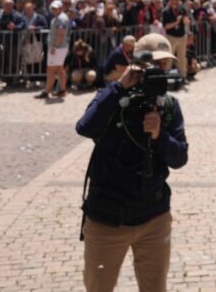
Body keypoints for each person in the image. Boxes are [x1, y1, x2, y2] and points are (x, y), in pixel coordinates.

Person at [76, 33, 188, 292]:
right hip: (107, 219)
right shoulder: (113, 97)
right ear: (136, 64)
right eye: (154, 65)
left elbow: (180, 158)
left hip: (154, 217)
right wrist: (119, 88)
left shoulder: (169, 105)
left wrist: (160, 136)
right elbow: (85, 127)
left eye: (165, 65)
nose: (160, 71)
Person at [36, 0, 70, 99]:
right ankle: (62, 90)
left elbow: (60, 33)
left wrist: (54, 46)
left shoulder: (61, 19)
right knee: (59, 69)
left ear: (60, 8)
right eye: (53, 8)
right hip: (59, 47)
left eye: (56, 8)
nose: (54, 10)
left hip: (58, 48)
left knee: (51, 69)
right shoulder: (59, 18)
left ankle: (47, 91)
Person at [162, 0, 189, 80]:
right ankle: (167, 76)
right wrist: (176, 23)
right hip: (171, 37)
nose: (176, 1)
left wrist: (186, 20)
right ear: (170, 0)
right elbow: (166, 26)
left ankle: (183, 75)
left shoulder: (182, 9)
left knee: (182, 57)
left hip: (181, 36)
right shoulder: (166, 11)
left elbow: (186, 22)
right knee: (169, 57)